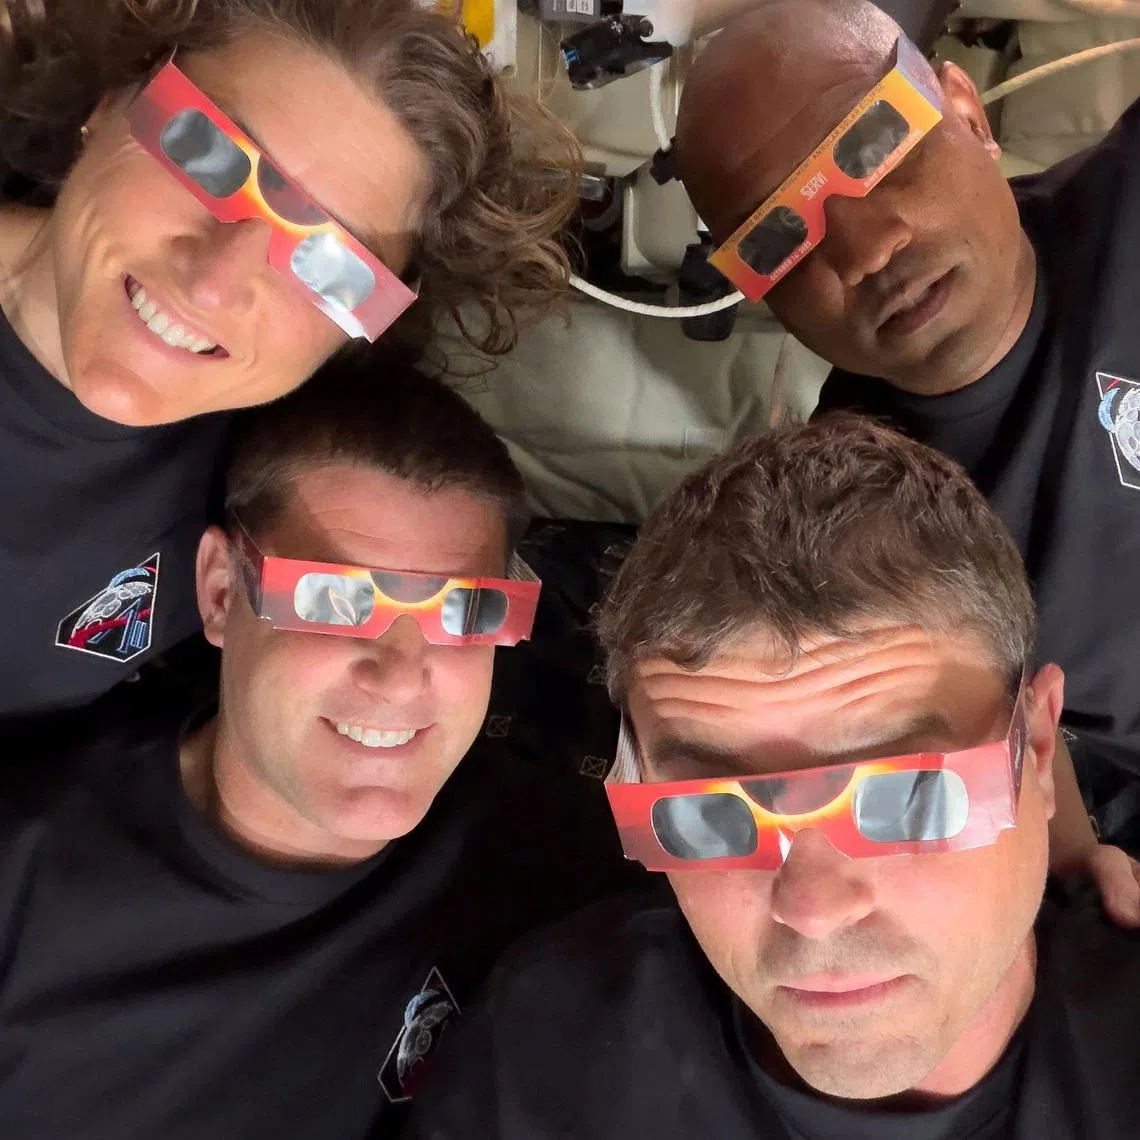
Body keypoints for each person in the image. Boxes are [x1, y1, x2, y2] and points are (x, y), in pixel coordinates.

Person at [404, 415, 1140, 1140]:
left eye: (908, 797)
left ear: (1038, 750)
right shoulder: (545, 1053)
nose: (813, 909)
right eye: (713, 813)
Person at [0, 352, 634, 1138]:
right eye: (335, 600)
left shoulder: (576, 872)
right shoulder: (24, 877)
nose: (403, 675)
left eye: (463, 613)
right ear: (223, 593)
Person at [670, 0, 1140, 919]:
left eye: (873, 146)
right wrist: (1080, 875)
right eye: (780, 236)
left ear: (964, 110)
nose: (866, 246)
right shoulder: (851, 512)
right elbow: (1007, 731)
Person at [0, 0, 578, 723]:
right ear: (113, 101)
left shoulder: (270, 517)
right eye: (203, 154)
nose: (215, 282)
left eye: (329, 264)